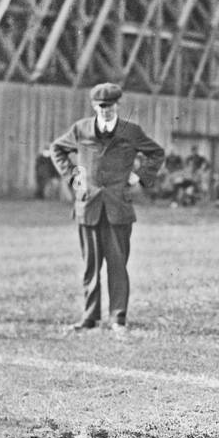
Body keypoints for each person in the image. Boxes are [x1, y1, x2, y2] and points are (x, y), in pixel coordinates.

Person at [50, 83, 165, 333]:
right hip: (88, 206)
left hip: (118, 208)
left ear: (118, 106)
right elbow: (56, 149)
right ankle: (89, 317)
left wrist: (139, 176)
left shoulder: (131, 131)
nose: (106, 111)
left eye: (110, 106)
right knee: (90, 265)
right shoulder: (80, 129)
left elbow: (156, 153)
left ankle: (117, 318)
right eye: (101, 107)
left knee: (117, 265)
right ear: (94, 106)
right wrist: (73, 177)